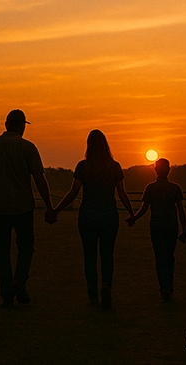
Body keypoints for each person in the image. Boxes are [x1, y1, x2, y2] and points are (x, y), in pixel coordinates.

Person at [0, 109, 56, 307]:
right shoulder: (27, 147)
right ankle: (19, 280)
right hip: (23, 207)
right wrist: (49, 206)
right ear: (21, 126)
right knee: (26, 247)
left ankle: (6, 293)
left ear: (6, 125)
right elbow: (39, 178)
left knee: (1, 251)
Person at [50, 130, 134, 308]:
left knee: (89, 257)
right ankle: (106, 285)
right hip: (109, 217)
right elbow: (121, 193)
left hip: (87, 218)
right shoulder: (114, 166)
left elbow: (73, 193)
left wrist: (56, 210)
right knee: (107, 255)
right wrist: (131, 213)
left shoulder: (83, 166)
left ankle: (93, 295)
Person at [126, 158, 186, 302]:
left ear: (155, 170)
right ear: (169, 170)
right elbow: (181, 211)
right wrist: (185, 229)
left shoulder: (150, 188)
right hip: (171, 226)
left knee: (160, 258)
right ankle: (169, 287)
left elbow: (144, 209)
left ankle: (164, 288)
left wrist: (133, 218)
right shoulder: (175, 188)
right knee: (170, 257)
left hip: (157, 226)